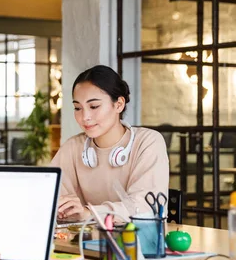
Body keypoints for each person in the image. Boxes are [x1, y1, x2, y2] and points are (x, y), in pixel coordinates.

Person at [52, 65, 169, 221]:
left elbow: (145, 207)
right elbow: (49, 195)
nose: (85, 116)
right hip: (85, 241)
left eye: (94, 106)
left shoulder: (148, 142)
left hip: (137, 241)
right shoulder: (73, 147)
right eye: (77, 108)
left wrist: (89, 213)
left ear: (119, 104)